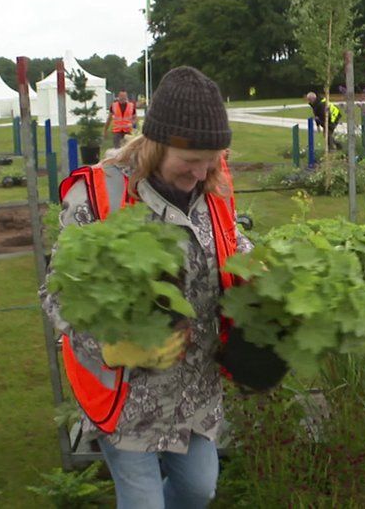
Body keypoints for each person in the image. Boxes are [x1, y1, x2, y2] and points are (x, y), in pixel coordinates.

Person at [42, 66, 253, 509]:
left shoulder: (212, 187)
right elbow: (57, 293)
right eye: (190, 161)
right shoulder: (99, 195)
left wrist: (263, 273)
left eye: (210, 160)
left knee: (199, 490)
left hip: (192, 388)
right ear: (158, 144)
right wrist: (111, 344)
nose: (199, 173)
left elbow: (231, 241)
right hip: (125, 393)